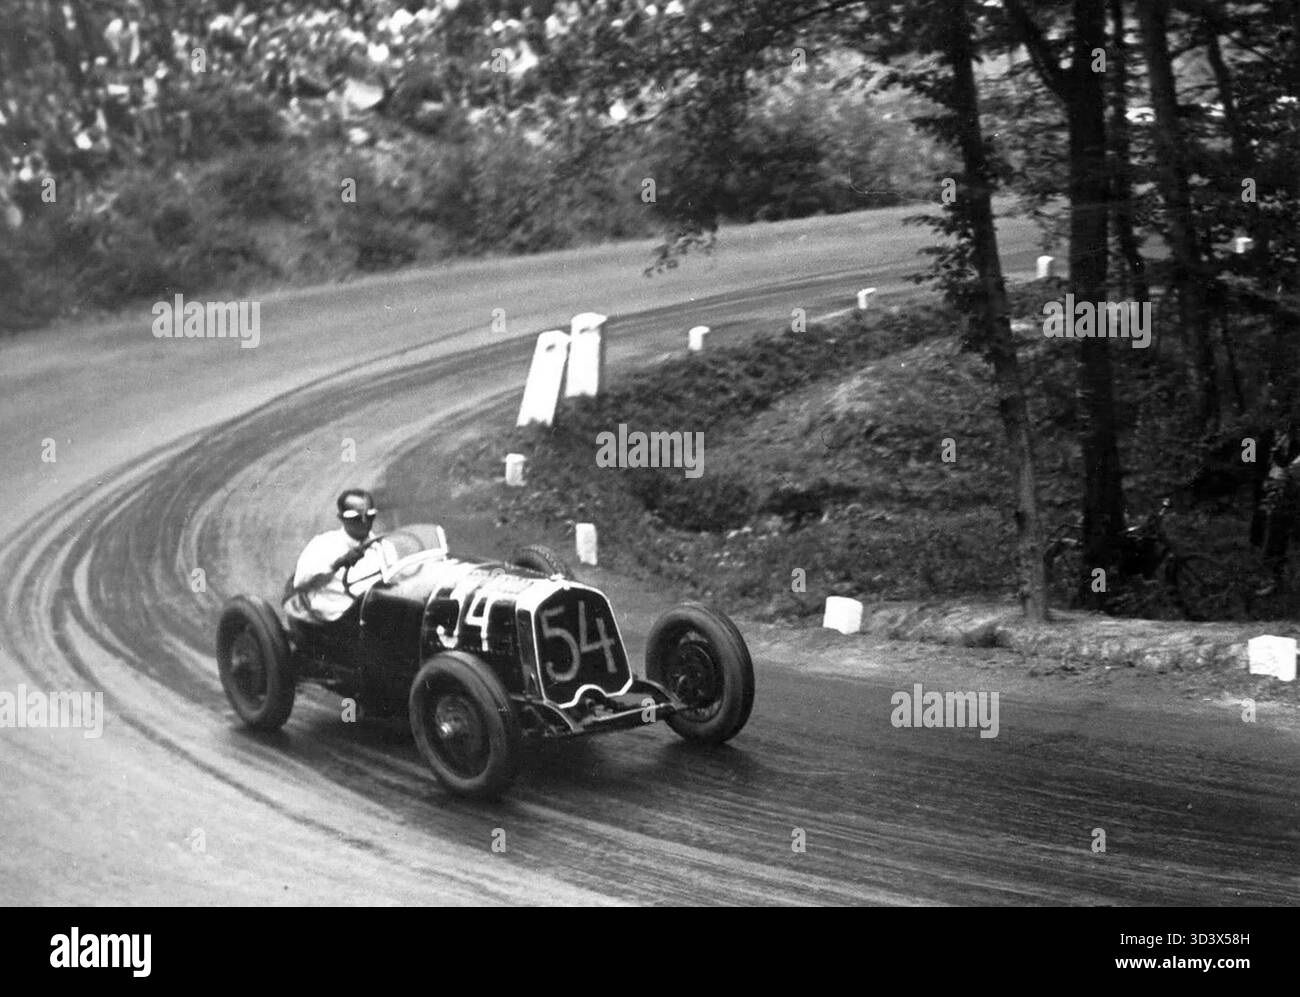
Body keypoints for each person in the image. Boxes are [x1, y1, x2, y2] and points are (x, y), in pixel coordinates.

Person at [285, 488, 395, 664]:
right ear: (342, 518)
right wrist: (338, 563)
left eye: (370, 516)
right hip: (338, 613)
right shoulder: (324, 545)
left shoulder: (385, 547)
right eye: (356, 518)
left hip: (375, 610)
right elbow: (300, 583)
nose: (364, 522)